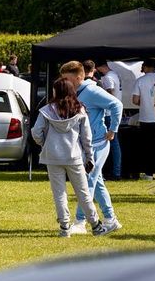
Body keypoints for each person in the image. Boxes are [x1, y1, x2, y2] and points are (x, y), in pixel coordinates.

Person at [31, 77, 112, 237]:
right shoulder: (80, 110)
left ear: (56, 91)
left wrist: (45, 144)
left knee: (59, 193)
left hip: (53, 157)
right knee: (83, 192)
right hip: (75, 156)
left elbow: (36, 132)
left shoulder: (46, 110)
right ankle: (95, 225)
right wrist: (89, 157)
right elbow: (86, 138)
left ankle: (64, 227)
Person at [60, 60, 123, 234]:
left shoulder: (92, 91)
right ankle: (111, 219)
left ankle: (80, 222)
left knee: (87, 183)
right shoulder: (76, 92)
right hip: (88, 145)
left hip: (97, 144)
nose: (64, 82)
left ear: (78, 77)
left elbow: (117, 105)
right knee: (97, 182)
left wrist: (113, 130)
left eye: (67, 78)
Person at [131, 58, 155, 176]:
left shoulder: (140, 80)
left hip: (145, 118)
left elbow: (135, 100)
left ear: (144, 67)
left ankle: (148, 173)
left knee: (147, 146)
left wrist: (144, 103)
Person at [95, 60, 123, 179]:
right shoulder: (115, 74)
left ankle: (114, 172)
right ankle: (116, 171)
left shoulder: (107, 77)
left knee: (109, 143)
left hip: (108, 113)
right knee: (115, 143)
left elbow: (109, 94)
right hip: (114, 113)